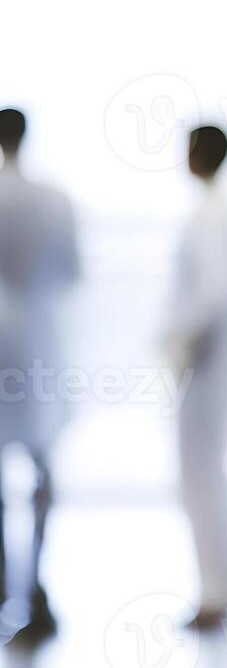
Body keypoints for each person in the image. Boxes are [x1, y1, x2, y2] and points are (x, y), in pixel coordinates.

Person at [0, 107, 81, 640]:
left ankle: (7, 582)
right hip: (38, 337)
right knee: (42, 465)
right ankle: (35, 587)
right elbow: (73, 271)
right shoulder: (53, 199)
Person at [164, 125, 227, 630]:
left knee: (200, 477)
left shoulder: (212, 218)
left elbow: (217, 293)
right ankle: (219, 586)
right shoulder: (216, 213)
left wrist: (179, 339)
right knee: (205, 475)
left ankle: (215, 592)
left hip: (204, 367)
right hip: (209, 366)